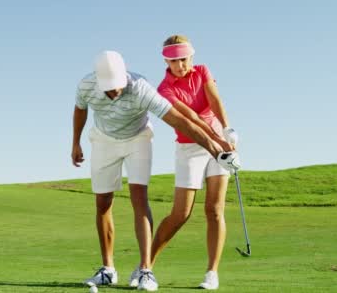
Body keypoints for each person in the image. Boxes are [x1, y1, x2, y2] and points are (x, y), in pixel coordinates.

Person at [72, 50, 239, 291]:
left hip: (138, 138)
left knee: (139, 197)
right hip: (103, 140)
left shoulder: (141, 87)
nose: (115, 91)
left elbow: (181, 121)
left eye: (118, 85)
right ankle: (108, 269)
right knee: (102, 202)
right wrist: (75, 142)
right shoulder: (86, 85)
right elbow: (80, 109)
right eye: (109, 87)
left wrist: (216, 150)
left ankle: (146, 271)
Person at [150, 35, 239, 290]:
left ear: (192, 57)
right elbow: (191, 119)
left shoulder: (202, 71)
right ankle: (147, 265)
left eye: (184, 59)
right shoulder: (164, 89)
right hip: (190, 147)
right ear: (167, 61)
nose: (180, 65)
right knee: (181, 214)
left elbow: (214, 100)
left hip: (220, 142)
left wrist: (228, 129)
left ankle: (212, 273)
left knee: (214, 210)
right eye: (174, 61)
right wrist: (217, 142)